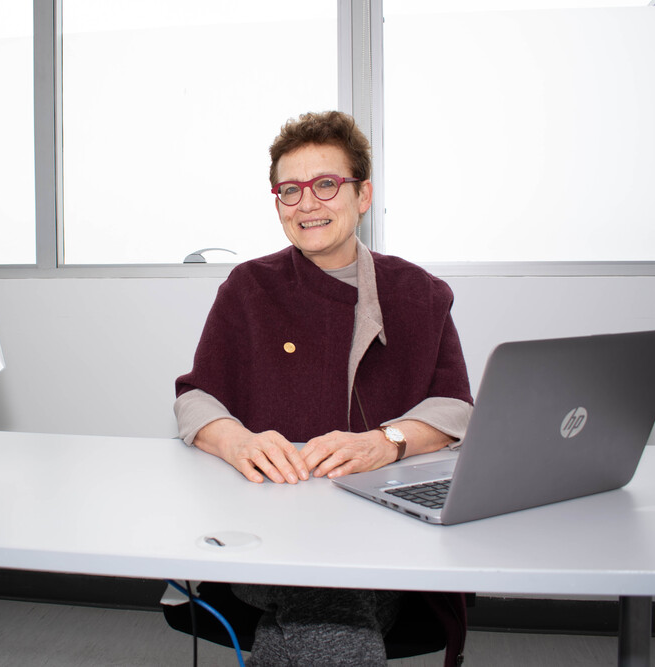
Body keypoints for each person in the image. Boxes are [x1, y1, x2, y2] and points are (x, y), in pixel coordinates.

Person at [174, 110, 473, 666]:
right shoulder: (249, 287)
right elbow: (196, 397)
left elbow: (455, 407)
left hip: (385, 533)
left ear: (363, 196)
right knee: (327, 607)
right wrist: (236, 440)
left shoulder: (419, 292)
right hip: (269, 527)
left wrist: (386, 441)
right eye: (290, 190)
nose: (306, 203)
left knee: (321, 611)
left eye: (326, 184)